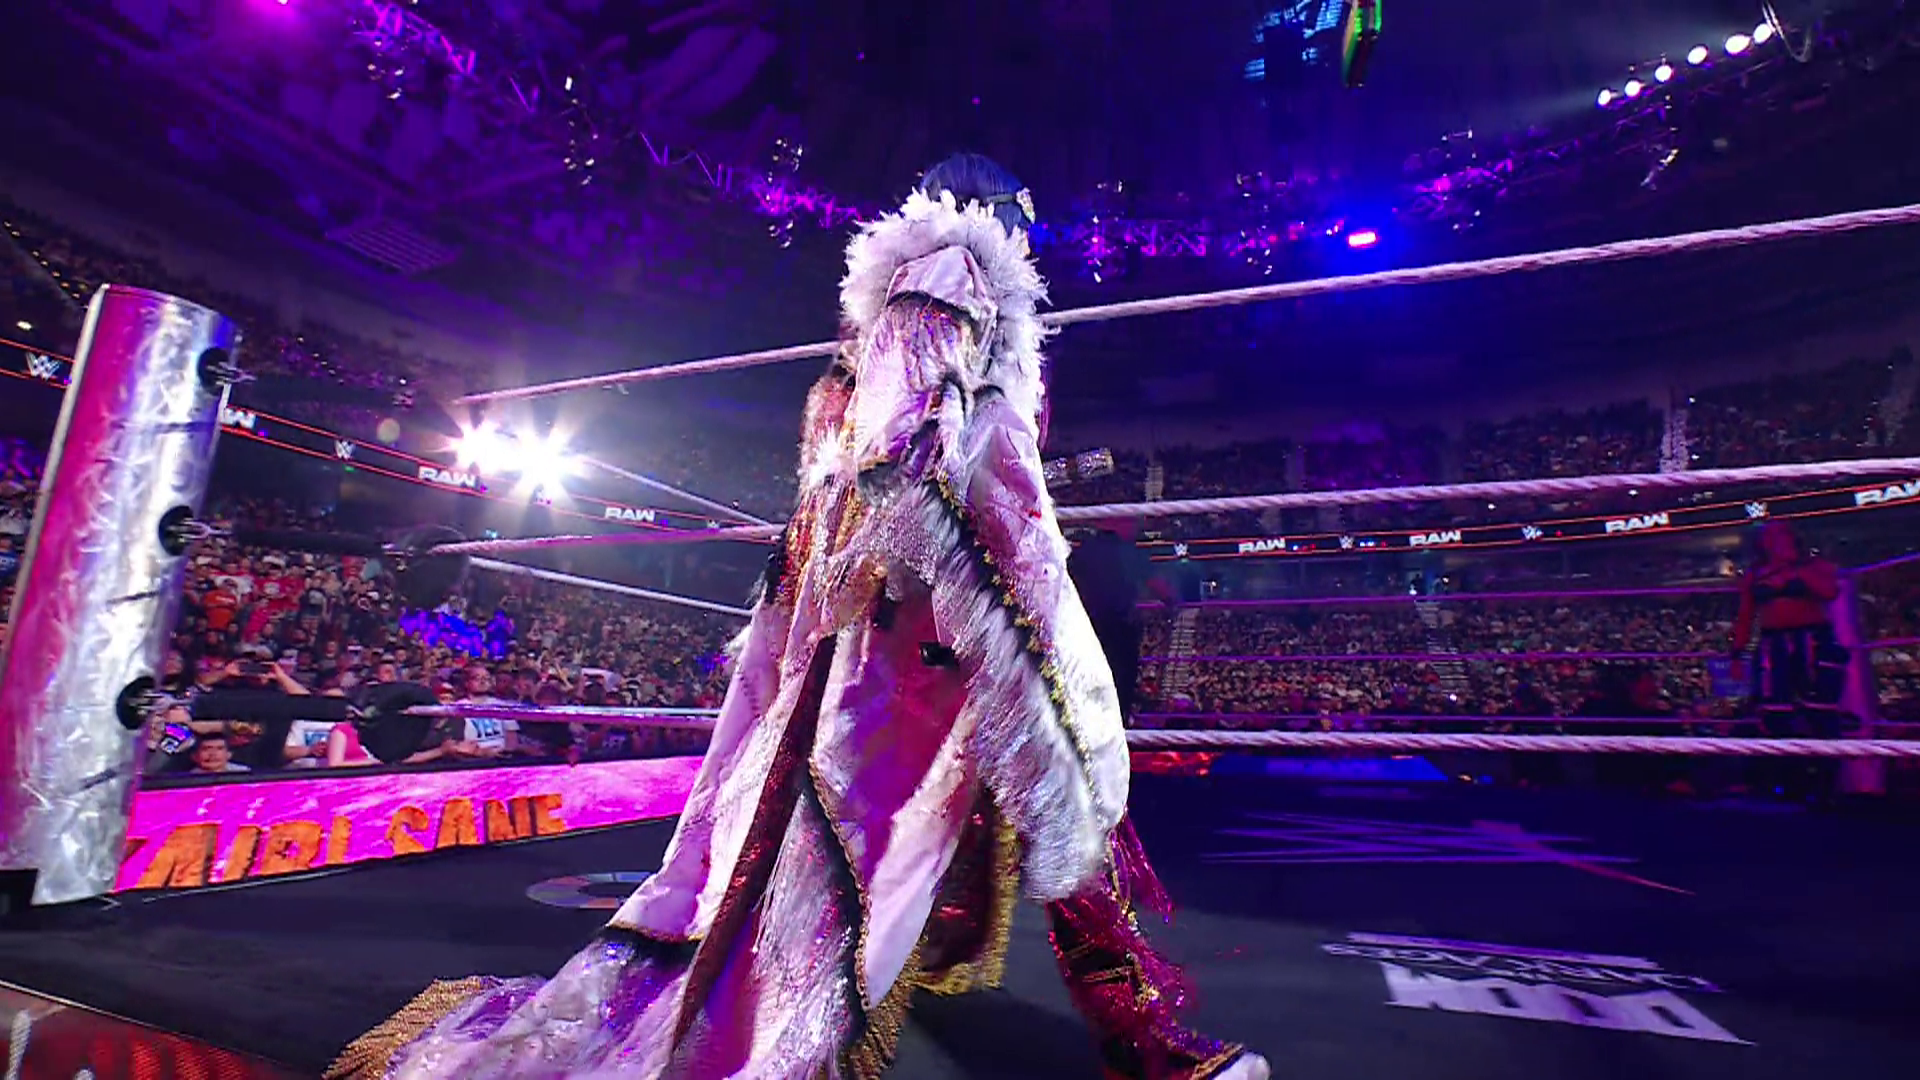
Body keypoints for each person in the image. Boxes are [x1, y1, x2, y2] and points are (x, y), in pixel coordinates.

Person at [331, 154, 1264, 1080]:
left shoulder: (882, 327)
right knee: (1056, 805)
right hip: (949, 618)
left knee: (1034, 811)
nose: (1027, 239)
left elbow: (874, 471)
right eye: (1020, 219)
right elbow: (904, 457)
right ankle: (1148, 1051)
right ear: (992, 215)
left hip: (937, 614)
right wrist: (956, 577)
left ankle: (1113, 1033)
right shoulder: (952, 271)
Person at [1730, 521, 1845, 798]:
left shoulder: (1814, 565)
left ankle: (1825, 784)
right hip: (1774, 643)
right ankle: (1787, 781)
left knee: (1820, 711)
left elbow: (1830, 591)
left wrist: (1795, 570)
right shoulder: (1756, 574)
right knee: (1775, 712)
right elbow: (1745, 615)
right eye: (1768, 536)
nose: (1773, 540)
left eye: (1778, 534)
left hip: (1812, 640)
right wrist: (1737, 653)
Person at [1068, 518, 1175, 725]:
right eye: (1132, 522)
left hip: (1087, 627)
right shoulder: (1128, 551)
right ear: (1119, 523)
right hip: (1118, 628)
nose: (1136, 527)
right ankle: (1118, 722)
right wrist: (1172, 601)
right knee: (1120, 681)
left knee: (1090, 680)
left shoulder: (1084, 551)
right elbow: (1158, 585)